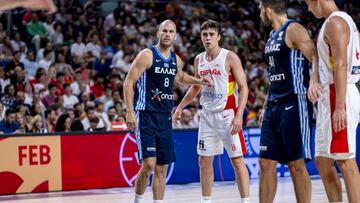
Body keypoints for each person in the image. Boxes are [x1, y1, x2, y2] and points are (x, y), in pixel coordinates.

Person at [123, 19, 212, 203]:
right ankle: (137, 200)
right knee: (148, 164)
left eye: (171, 31)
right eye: (164, 30)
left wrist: (199, 81)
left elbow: (180, 77)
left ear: (175, 36)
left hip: (164, 118)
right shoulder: (146, 55)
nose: (167, 34)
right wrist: (129, 111)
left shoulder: (175, 59)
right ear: (158, 33)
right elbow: (128, 82)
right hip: (146, 115)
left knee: (162, 167)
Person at [172, 20, 250, 203]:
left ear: (219, 37)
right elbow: (195, 88)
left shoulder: (230, 57)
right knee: (204, 161)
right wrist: (180, 108)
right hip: (206, 116)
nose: (208, 38)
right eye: (205, 35)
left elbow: (244, 87)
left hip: (227, 115)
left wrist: (239, 115)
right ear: (201, 37)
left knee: (237, 161)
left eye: (211, 34)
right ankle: (206, 200)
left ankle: (246, 200)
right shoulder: (199, 59)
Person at [257, 0, 318, 202]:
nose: (259, 14)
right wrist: (265, 105)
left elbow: (315, 55)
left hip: (294, 102)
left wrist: (314, 81)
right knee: (265, 163)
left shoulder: (293, 29)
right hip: (273, 105)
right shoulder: (272, 36)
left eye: (260, 10)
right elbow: (274, 74)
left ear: (267, 10)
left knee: (296, 164)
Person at [306, 0, 360, 202]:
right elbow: (321, 58)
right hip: (330, 94)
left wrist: (339, 107)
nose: (308, 9)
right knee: (322, 160)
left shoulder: (335, 23)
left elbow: (341, 64)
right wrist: (314, 80)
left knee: (345, 161)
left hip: (339, 94)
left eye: (308, 4)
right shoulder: (333, 22)